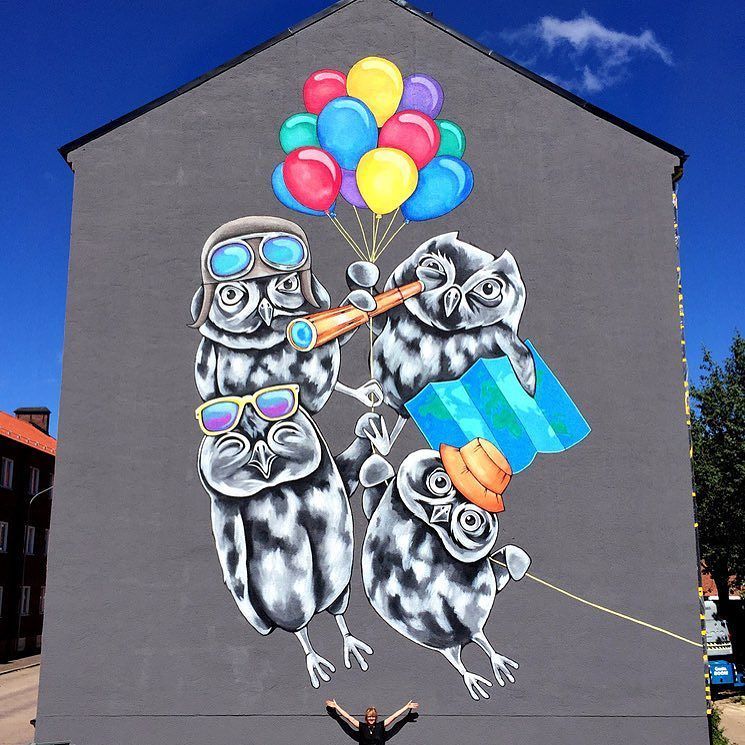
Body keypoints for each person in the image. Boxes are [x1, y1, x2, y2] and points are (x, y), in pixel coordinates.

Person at [325, 699, 419, 744]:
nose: (371, 718)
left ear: (376, 717)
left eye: (373, 717)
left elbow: (394, 716)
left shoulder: (380, 726)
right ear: (366, 717)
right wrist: (337, 707)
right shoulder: (362, 727)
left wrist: (406, 707)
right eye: (369, 717)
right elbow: (349, 718)